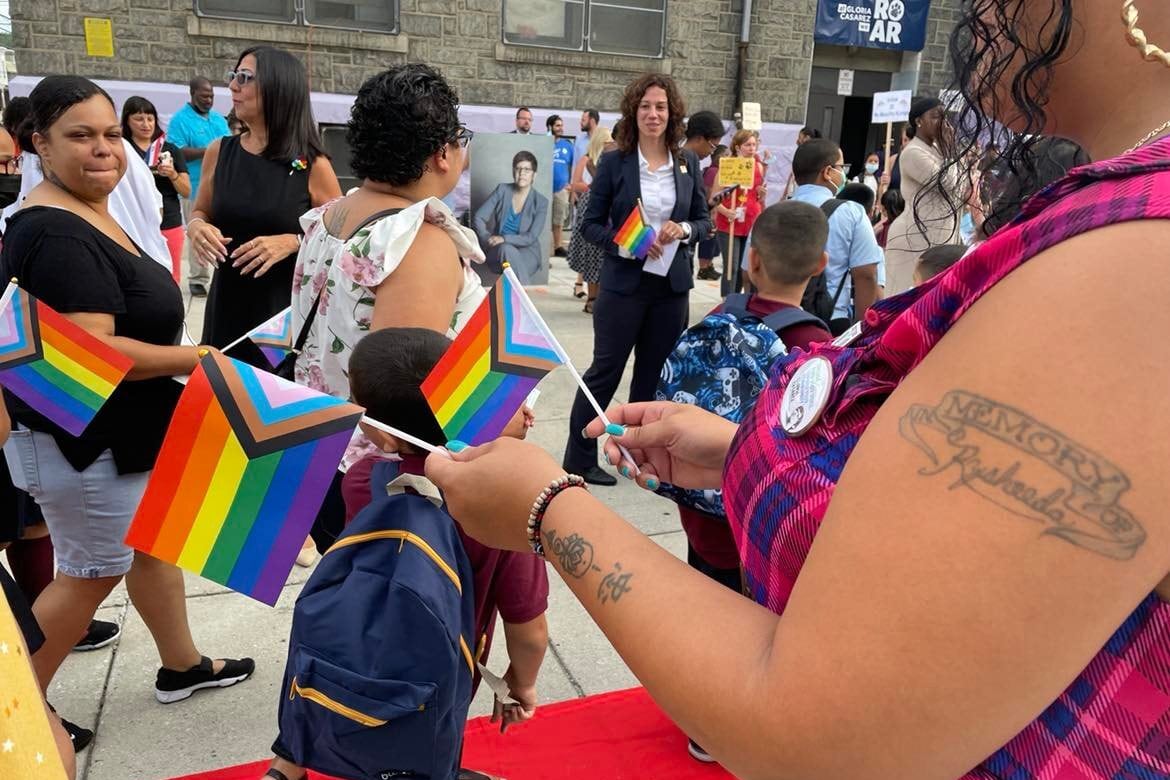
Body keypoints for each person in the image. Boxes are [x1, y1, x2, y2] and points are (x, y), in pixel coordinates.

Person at [421, 2, 1170, 777]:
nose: (978, 11)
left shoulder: (1138, 265)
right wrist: (738, 449)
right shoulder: (1111, 216)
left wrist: (549, 509)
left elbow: (826, 737)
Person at [2, 75, 253, 713]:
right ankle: (21, 717)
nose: (104, 149)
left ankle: (182, 665)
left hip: (114, 436)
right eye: (79, 136)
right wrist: (198, 358)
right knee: (90, 573)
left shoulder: (89, 211)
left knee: (150, 543)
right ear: (41, 145)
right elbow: (100, 353)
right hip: (85, 445)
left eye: (110, 134)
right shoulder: (57, 232)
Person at [265, 327, 547, 780]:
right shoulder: (504, 506)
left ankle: (289, 764)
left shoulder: (362, 480)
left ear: (383, 434)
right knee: (425, 726)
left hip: (359, 635)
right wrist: (521, 682)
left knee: (348, 697)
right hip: (444, 657)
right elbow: (529, 628)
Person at [292, 63, 486, 553]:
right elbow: (404, 399)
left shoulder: (333, 214)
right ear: (442, 152)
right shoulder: (416, 238)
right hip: (383, 481)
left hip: (317, 452)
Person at [562, 73, 711, 486]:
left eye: (660, 106)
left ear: (672, 113)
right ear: (634, 112)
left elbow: (703, 220)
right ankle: (578, 456)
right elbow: (590, 224)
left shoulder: (688, 163)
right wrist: (630, 243)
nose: (653, 114)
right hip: (624, 284)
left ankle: (638, 452)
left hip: (670, 288)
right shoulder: (615, 161)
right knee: (605, 371)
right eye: (645, 106)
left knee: (653, 375)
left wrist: (683, 230)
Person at [188, 46, 341, 348]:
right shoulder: (220, 151)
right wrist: (196, 226)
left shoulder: (313, 165)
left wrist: (292, 241)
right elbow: (200, 211)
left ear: (278, 88)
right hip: (224, 308)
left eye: (245, 78)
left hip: (281, 320)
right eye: (234, 76)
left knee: (268, 393)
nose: (233, 86)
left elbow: (341, 241)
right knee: (219, 389)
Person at [790, 138, 882, 334]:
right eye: (841, 166)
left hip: (779, 319)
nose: (843, 173)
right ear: (827, 172)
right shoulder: (852, 212)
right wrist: (860, 329)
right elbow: (866, 274)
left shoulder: (771, 213)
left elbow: (748, 273)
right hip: (830, 320)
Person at [883, 97, 964, 295]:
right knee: (904, 299)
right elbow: (949, 183)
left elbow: (962, 185)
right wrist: (950, 150)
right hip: (914, 238)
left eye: (945, 118)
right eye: (936, 117)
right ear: (919, 121)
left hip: (940, 236)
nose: (943, 123)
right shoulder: (913, 152)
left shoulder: (937, 151)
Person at [166, 76, 229, 296]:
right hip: (194, 185)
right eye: (204, 95)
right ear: (192, 94)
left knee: (225, 230)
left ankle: (225, 272)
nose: (209, 99)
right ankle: (198, 278)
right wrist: (210, 151)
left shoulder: (218, 120)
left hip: (222, 184)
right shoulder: (180, 120)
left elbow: (229, 145)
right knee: (199, 229)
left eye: (211, 95)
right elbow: (177, 150)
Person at [121, 96, 189, 284]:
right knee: (135, 276)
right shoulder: (121, 150)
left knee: (170, 276)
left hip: (168, 222)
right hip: (132, 222)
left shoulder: (169, 149)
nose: (146, 124)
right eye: (139, 119)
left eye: (150, 118)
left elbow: (186, 191)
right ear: (127, 120)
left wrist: (173, 174)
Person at [473, 151, 550, 284]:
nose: (522, 173)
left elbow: (531, 237)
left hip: (528, 253)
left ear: (534, 175)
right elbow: (478, 217)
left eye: (527, 169)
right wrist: (487, 239)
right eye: (518, 169)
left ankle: (516, 297)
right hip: (498, 251)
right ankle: (524, 298)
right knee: (506, 250)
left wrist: (504, 238)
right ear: (513, 171)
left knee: (513, 262)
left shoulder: (541, 201)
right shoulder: (502, 190)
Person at [567, 126, 613, 313]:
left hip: (602, 204)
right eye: (607, 142)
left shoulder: (609, 161)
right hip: (591, 202)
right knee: (591, 251)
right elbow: (575, 182)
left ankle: (596, 297)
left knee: (598, 253)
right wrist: (592, 187)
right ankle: (592, 297)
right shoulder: (588, 160)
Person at [715, 129, 766, 295]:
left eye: (754, 144)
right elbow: (714, 198)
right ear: (738, 147)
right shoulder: (727, 165)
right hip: (729, 222)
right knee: (732, 265)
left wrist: (761, 193)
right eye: (747, 145)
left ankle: (740, 298)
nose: (752, 148)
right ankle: (727, 299)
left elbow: (758, 195)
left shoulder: (758, 166)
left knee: (747, 266)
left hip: (751, 220)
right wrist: (725, 211)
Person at [682, 111, 727, 281]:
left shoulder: (692, 162)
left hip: (688, 239)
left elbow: (691, 203)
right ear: (699, 138)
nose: (711, 152)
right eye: (712, 146)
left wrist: (708, 207)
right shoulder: (681, 160)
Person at [699, 144, 730, 281]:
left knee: (713, 242)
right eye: (726, 155)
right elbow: (710, 192)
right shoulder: (713, 172)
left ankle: (709, 265)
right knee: (708, 240)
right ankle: (703, 268)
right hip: (710, 211)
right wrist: (712, 211)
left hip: (714, 211)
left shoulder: (720, 171)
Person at [548, 114, 574, 258]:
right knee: (543, 221)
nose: (560, 128)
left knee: (558, 220)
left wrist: (570, 184)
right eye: (557, 125)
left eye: (561, 125)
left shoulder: (567, 146)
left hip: (561, 189)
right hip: (544, 189)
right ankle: (545, 250)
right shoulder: (544, 143)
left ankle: (558, 247)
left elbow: (573, 165)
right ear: (550, 127)